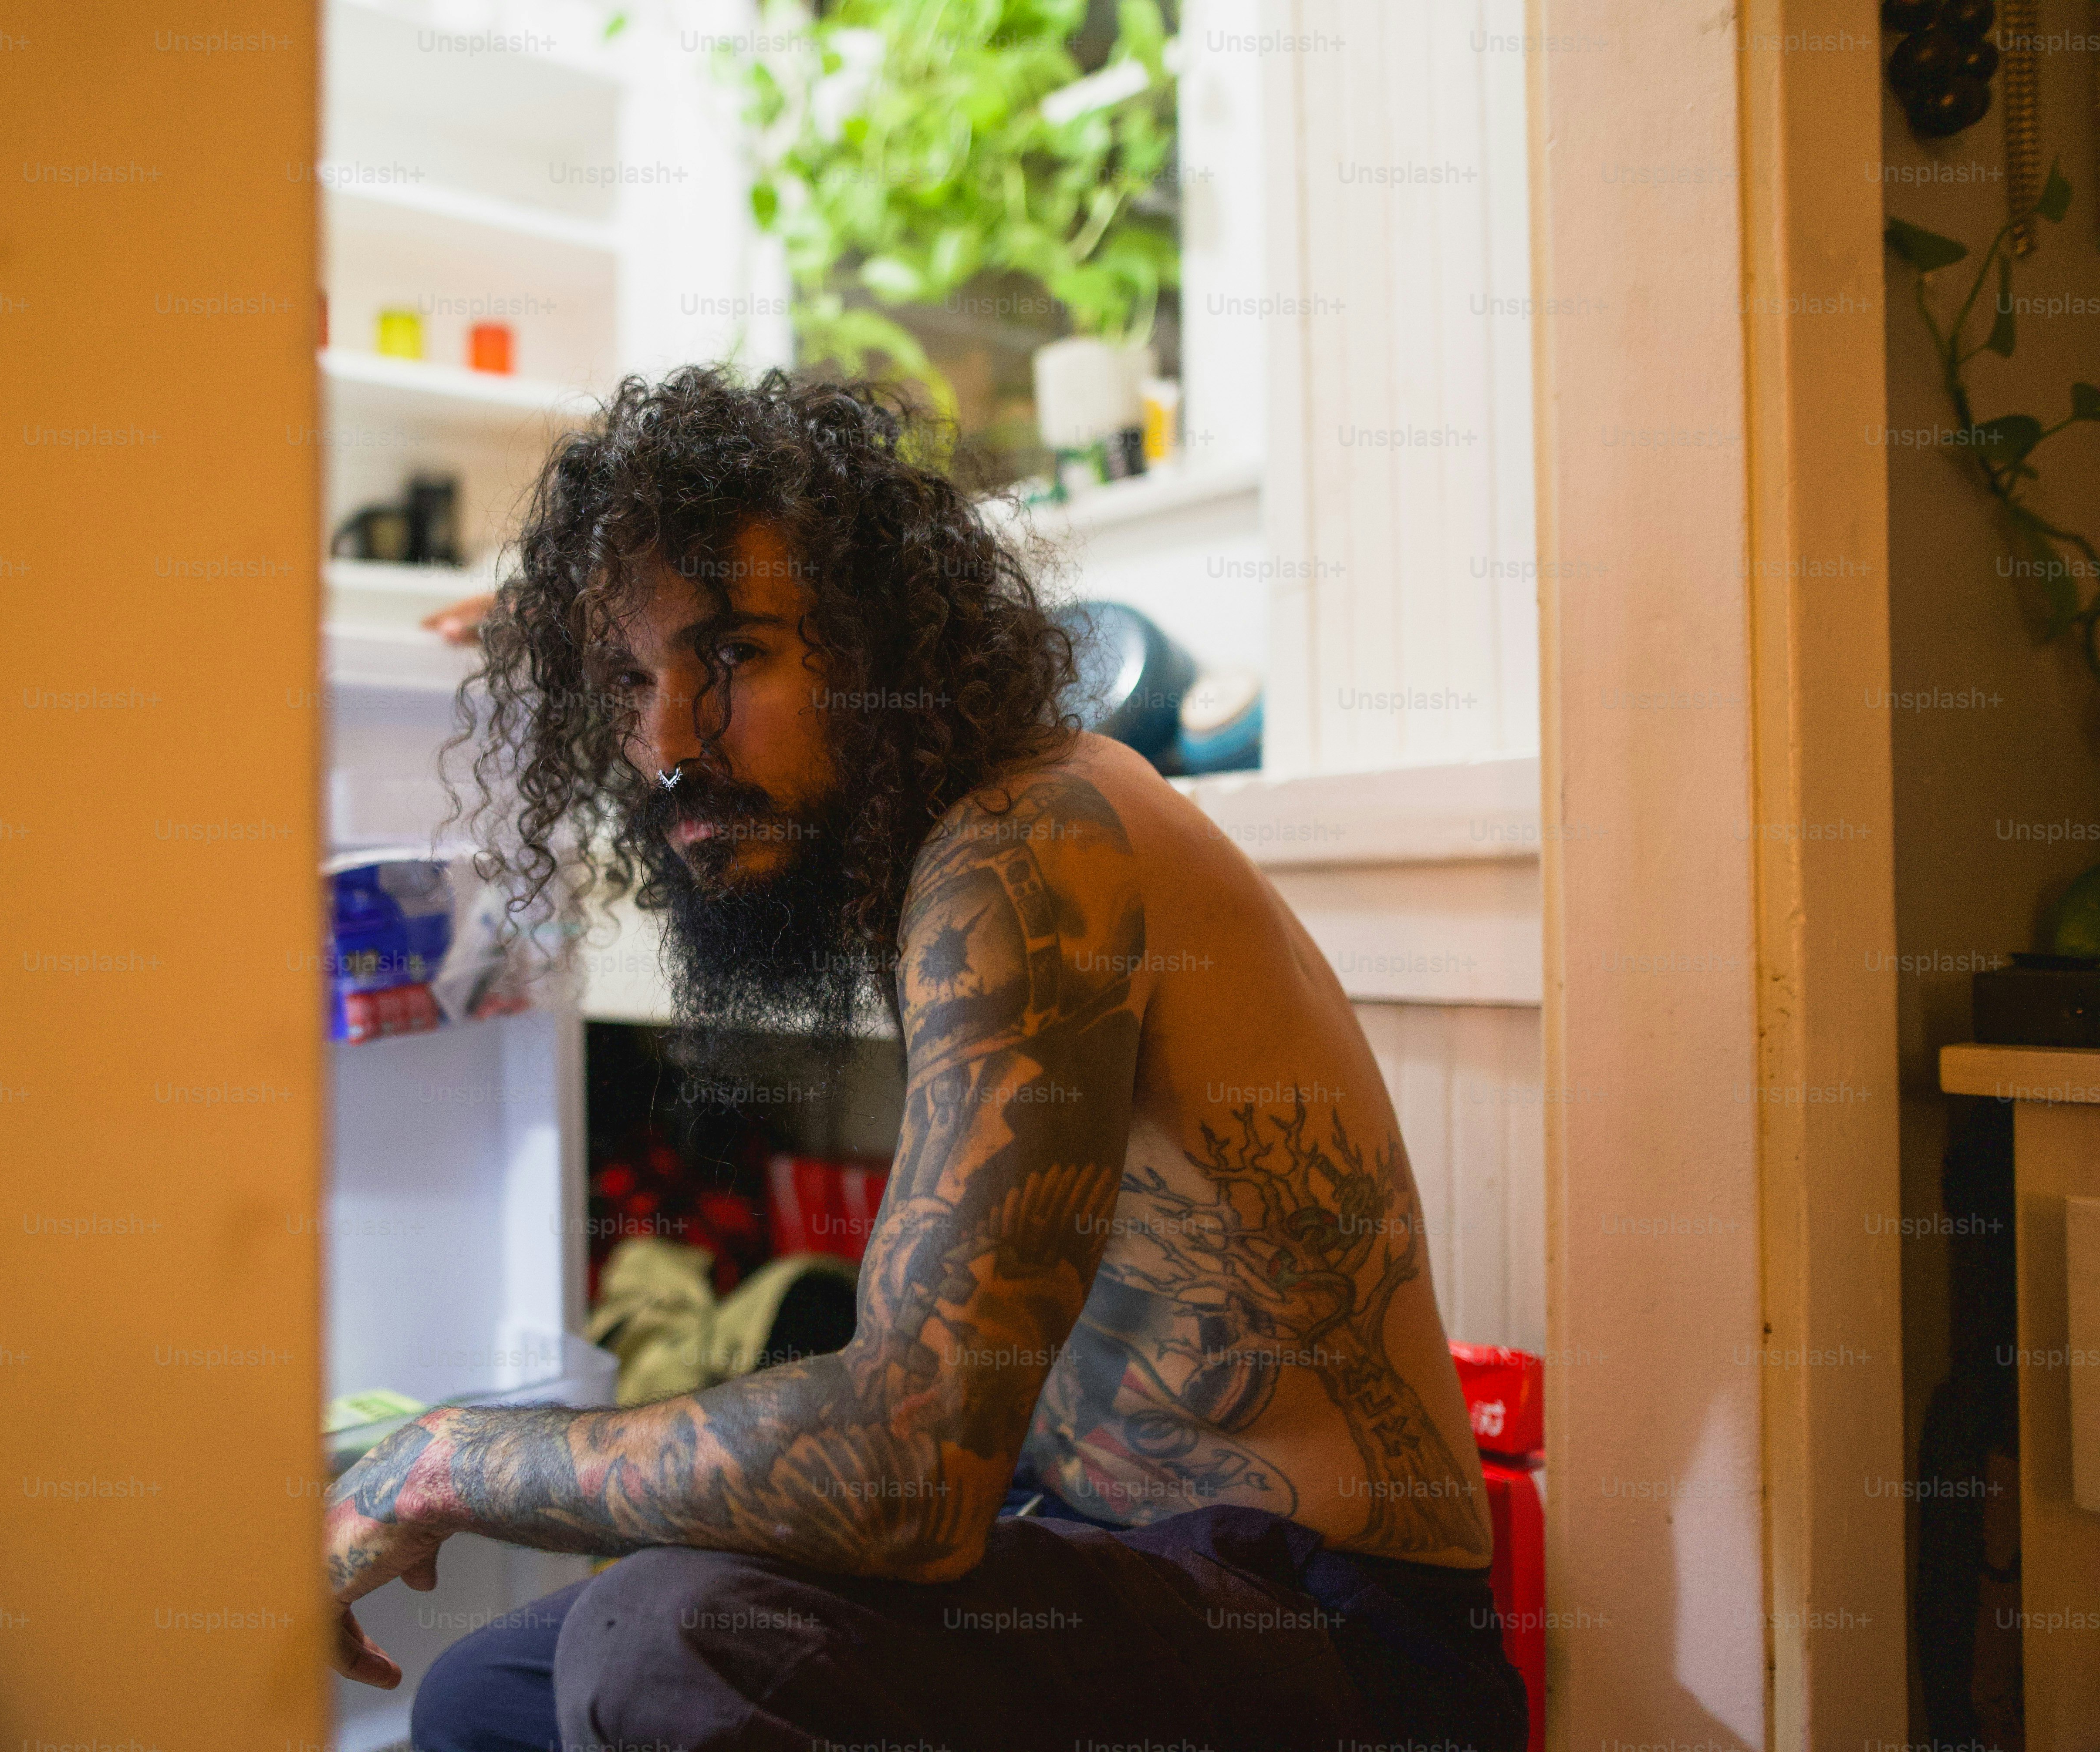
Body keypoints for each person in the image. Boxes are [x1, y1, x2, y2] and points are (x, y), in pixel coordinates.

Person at [327, 366, 1528, 1752]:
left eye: (732, 658)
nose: (662, 744)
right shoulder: (943, 854)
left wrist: (449, 1460)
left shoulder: (1036, 839)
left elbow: (907, 1469)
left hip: (1340, 1640)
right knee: (489, 1695)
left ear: (880, 645)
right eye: (627, 680)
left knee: (672, 1635)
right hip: (1096, 1546)